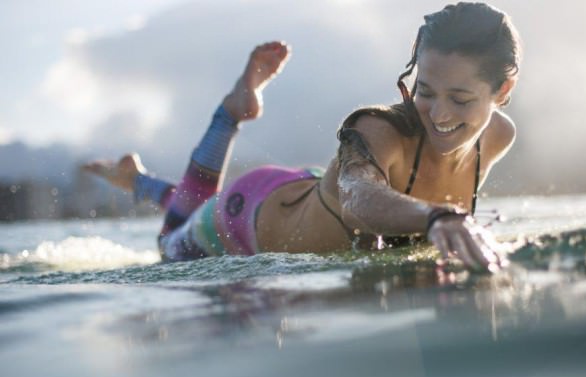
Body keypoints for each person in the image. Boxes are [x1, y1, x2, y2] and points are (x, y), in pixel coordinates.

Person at [84, 2, 522, 271]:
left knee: (190, 204)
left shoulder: (498, 138)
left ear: (502, 91)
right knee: (171, 241)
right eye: (424, 91)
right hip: (245, 215)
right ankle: (226, 118)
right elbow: (357, 197)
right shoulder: (377, 130)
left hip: (310, 189)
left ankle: (136, 179)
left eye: (461, 99)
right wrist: (438, 217)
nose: (439, 114)